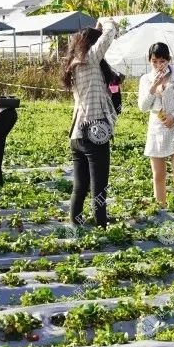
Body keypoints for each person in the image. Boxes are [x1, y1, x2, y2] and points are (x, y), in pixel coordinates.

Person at [62, 22, 117, 228]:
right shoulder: (91, 59)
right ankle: (101, 224)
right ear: (92, 45)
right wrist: (105, 21)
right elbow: (110, 33)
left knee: (80, 185)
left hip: (77, 133)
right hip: (95, 132)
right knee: (99, 185)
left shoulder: (73, 66)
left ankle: (75, 221)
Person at [137, 43, 174, 207]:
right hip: (157, 128)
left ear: (169, 60)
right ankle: (161, 209)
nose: (158, 65)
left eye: (162, 61)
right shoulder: (146, 79)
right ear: (149, 61)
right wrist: (153, 87)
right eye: (154, 61)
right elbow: (142, 107)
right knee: (158, 175)